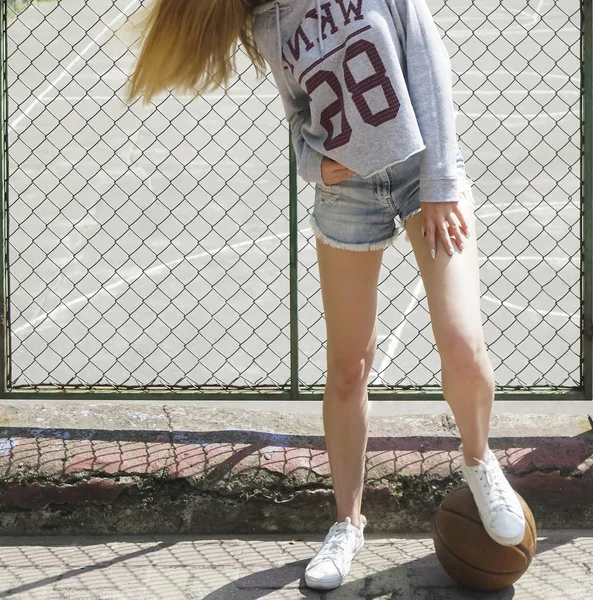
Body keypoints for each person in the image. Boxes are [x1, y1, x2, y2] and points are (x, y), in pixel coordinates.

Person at [127, 0, 527, 591]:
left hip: (425, 178)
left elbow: (428, 64)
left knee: (464, 345)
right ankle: (346, 524)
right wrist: (317, 165)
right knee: (346, 369)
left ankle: (479, 461)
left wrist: (441, 181)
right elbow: (299, 118)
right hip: (348, 196)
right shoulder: (271, 21)